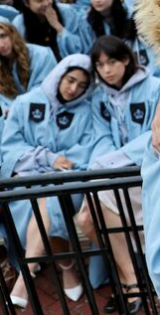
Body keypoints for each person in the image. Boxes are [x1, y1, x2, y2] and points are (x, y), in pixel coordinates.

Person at [76, 36, 160, 313]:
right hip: (115, 171)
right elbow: (101, 135)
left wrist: (115, 161)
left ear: (127, 59)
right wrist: (108, 161)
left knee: (97, 197)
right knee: (86, 218)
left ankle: (130, 281)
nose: (106, 70)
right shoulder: (100, 97)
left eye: (112, 62)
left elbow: (158, 134)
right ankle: (132, 274)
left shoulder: (157, 87)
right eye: (100, 64)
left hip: (150, 169)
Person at [1, 55, 94, 308]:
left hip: (65, 184)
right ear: (59, 75)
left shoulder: (87, 112)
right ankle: (67, 267)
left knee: (52, 199)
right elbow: (8, 147)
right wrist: (47, 159)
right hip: (27, 180)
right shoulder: (25, 102)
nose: (73, 88)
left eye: (81, 85)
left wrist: (56, 169)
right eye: (70, 80)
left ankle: (26, 274)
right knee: (41, 203)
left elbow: (85, 151)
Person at [11, 0, 87, 60]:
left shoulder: (67, 12)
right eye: (39, 1)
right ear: (26, 3)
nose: (46, 3)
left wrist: (57, 26)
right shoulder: (19, 23)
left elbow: (79, 47)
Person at [0, 16, 57, 112]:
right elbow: (5, 101)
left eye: (3, 36)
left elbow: (45, 90)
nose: (1, 45)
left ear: (12, 33)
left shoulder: (42, 55)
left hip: (45, 111)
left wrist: (19, 109)